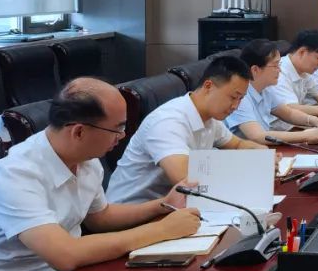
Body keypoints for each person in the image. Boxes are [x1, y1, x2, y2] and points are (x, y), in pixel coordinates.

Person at [0, 78, 201, 271]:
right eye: (118, 128)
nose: (122, 136)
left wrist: (162, 205)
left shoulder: (87, 160)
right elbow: (65, 255)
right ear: (79, 132)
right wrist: (162, 230)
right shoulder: (17, 173)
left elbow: (100, 217)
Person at [106, 56, 269, 204]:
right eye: (233, 97)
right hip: (133, 211)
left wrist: (263, 155)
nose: (235, 106)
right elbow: (186, 180)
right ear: (208, 86)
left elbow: (238, 145)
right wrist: (247, 168)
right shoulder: (168, 121)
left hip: (173, 205)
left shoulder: (210, 118)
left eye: (240, 99)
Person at [226, 39, 318, 145]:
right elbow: (257, 136)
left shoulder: (266, 89)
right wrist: (306, 135)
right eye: (275, 65)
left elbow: (289, 113)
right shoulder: (240, 95)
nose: (280, 70)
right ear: (255, 70)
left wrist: (316, 121)